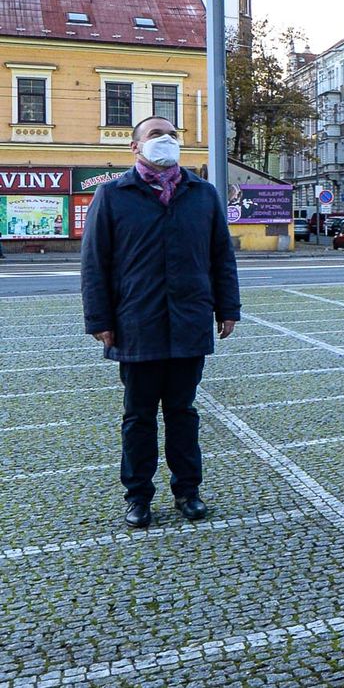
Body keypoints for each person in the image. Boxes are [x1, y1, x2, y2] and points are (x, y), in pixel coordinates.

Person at [81, 116, 240, 529]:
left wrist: (228, 308)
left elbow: (221, 257)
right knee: (138, 416)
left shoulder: (202, 194)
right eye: (155, 134)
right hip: (136, 323)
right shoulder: (112, 194)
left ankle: (188, 491)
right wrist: (99, 319)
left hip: (188, 322)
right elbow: (95, 264)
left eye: (172, 134)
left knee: (183, 413)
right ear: (135, 147)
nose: (166, 140)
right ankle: (138, 496)